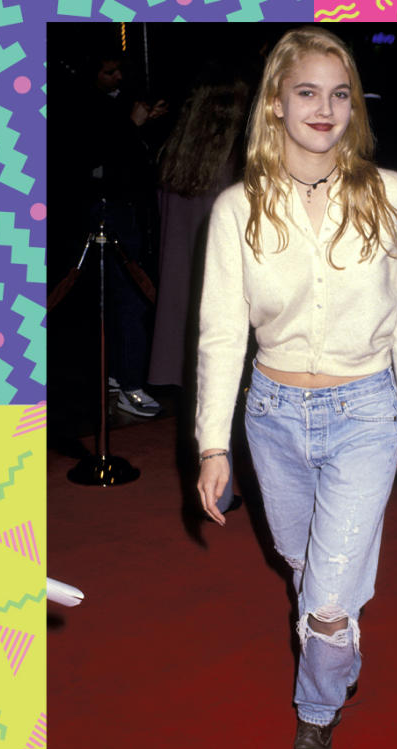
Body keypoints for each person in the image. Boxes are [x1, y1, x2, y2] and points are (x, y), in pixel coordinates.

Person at [195, 27, 397, 749]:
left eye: (339, 93)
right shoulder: (237, 208)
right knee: (302, 565)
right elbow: (222, 333)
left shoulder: (390, 193)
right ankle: (339, 640)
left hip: (366, 410)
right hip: (272, 417)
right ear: (275, 103)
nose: (324, 108)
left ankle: (317, 711)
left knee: (325, 601)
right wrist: (211, 444)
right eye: (306, 92)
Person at [149, 64, 249, 515]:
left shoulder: (174, 161)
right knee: (230, 395)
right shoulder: (235, 173)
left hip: (180, 296)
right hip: (223, 298)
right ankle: (225, 489)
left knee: (201, 395)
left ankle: (213, 486)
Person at [81, 49, 168, 417]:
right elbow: (95, 161)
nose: (117, 78)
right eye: (108, 71)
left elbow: (132, 158)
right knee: (127, 298)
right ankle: (129, 384)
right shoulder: (82, 104)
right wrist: (132, 126)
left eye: (119, 71)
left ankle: (119, 375)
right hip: (106, 210)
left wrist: (144, 124)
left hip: (129, 208)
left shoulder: (123, 100)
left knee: (122, 299)